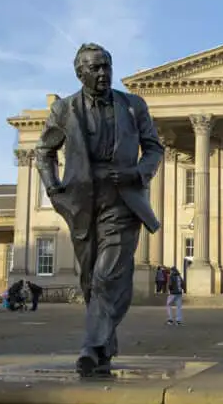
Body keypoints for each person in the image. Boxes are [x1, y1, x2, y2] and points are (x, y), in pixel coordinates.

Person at [35, 43, 164, 377]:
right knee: (91, 280)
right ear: (81, 73)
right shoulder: (64, 110)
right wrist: (52, 188)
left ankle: (90, 348)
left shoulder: (133, 106)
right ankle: (105, 347)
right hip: (82, 203)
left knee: (108, 277)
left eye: (107, 66)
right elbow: (44, 152)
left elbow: (153, 149)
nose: (104, 73)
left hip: (122, 201)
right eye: (96, 68)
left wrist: (137, 172)